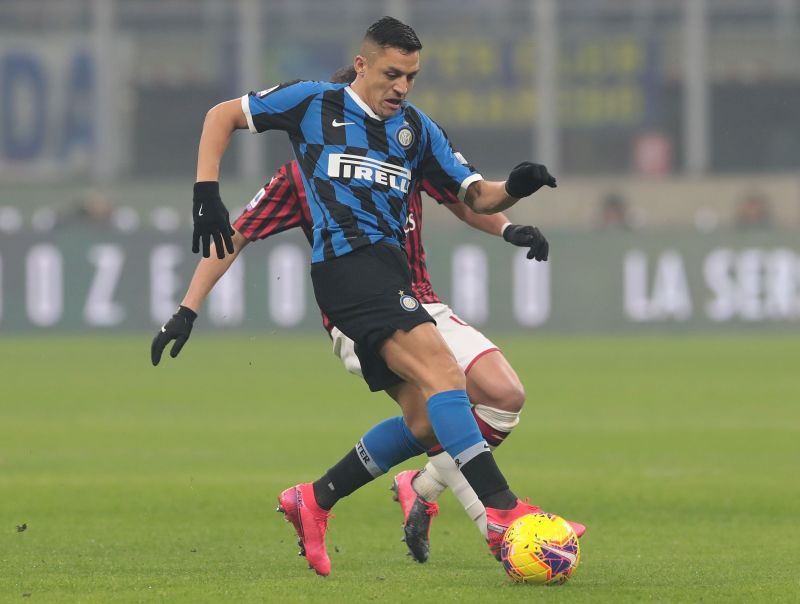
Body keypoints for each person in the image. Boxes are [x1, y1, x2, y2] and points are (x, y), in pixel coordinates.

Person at [168, 17, 582, 576]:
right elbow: (222, 117)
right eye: (392, 74)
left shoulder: (415, 130)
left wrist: (515, 188)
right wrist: (203, 206)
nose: (402, 87)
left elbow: (472, 196)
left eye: (411, 76)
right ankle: (503, 513)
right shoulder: (312, 106)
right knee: (446, 376)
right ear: (362, 66)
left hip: (393, 278)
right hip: (346, 271)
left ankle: (314, 499)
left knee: (425, 422)